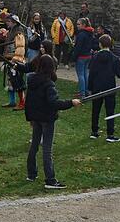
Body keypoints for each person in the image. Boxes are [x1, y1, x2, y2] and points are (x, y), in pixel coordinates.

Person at [25, 54, 82, 189]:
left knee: (34, 146)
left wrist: (31, 117)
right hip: (46, 119)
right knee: (47, 150)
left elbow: (29, 102)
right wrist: (71, 103)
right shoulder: (48, 84)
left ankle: (31, 174)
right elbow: (53, 103)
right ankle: (50, 180)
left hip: (37, 118)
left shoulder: (32, 80)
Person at [88, 34, 120, 142]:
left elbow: (91, 74)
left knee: (96, 110)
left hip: (97, 87)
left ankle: (94, 132)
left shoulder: (95, 57)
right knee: (110, 111)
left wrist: (90, 88)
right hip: (109, 87)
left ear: (100, 45)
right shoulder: (114, 58)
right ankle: (110, 134)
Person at [1, 14, 27, 110]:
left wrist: (15, 61)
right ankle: (12, 102)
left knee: (18, 82)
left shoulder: (18, 33)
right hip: (9, 60)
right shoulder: (12, 31)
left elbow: (20, 48)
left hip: (16, 61)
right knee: (10, 82)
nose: (7, 23)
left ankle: (22, 103)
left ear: (14, 22)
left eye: (8, 21)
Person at [70, 17, 97, 98]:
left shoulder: (82, 34)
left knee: (81, 75)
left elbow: (78, 47)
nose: (77, 26)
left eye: (79, 24)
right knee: (85, 74)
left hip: (82, 56)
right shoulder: (90, 33)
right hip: (88, 55)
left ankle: (83, 93)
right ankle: (86, 91)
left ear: (83, 25)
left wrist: (73, 58)